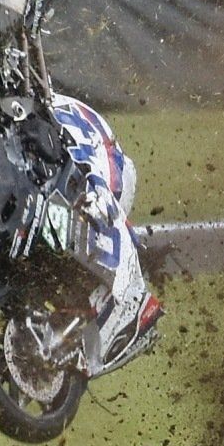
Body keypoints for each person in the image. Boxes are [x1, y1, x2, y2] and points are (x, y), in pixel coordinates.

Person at [46, 92, 163, 369]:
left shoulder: (78, 135)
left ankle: (126, 304)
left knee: (96, 205)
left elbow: (86, 149)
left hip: (99, 154)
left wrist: (99, 189)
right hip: (82, 152)